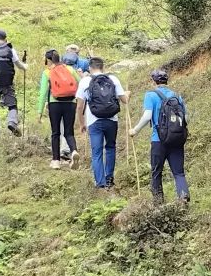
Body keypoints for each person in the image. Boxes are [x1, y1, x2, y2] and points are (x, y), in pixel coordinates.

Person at [130, 68, 190, 203]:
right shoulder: (176, 96)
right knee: (179, 172)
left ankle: (158, 204)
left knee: (156, 172)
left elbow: (147, 117)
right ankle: (183, 196)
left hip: (158, 140)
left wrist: (135, 130)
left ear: (153, 81)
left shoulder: (150, 95)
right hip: (176, 139)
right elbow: (186, 118)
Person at [75, 57, 128, 189]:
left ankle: (100, 183)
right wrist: (128, 93)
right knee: (110, 148)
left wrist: (82, 124)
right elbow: (124, 100)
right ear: (102, 67)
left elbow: (80, 106)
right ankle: (109, 178)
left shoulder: (85, 81)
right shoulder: (113, 79)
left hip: (94, 121)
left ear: (90, 68)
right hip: (112, 120)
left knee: (97, 152)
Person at [37, 49, 81, 170]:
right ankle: (73, 152)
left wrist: (39, 112)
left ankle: (56, 161)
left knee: (55, 132)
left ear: (48, 60)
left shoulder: (47, 72)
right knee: (69, 132)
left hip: (54, 104)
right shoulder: (69, 69)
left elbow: (42, 93)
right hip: (71, 103)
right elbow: (80, 83)